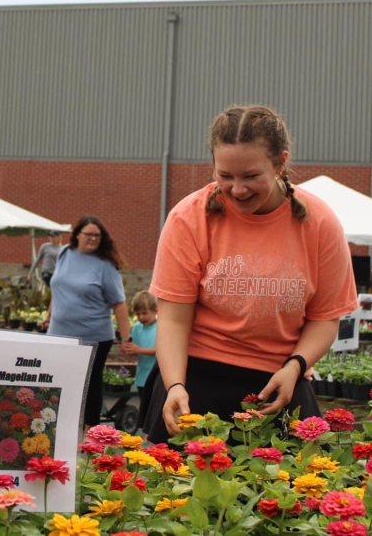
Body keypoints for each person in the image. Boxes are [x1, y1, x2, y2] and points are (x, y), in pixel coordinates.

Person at [147, 105, 358, 442]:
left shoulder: (319, 222)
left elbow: (324, 318)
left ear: (280, 163)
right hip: (195, 377)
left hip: (280, 382)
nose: (238, 189)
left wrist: (295, 367)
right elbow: (173, 319)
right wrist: (174, 384)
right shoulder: (188, 218)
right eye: (225, 176)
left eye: (250, 176)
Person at [43, 215, 131, 430]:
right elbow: (58, 287)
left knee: (89, 384)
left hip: (94, 336)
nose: (93, 239)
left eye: (97, 236)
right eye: (89, 234)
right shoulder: (65, 253)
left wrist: (127, 338)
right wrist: (48, 315)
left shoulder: (105, 265)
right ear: (77, 235)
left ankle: (90, 431)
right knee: (57, 379)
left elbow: (119, 304)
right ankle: (59, 425)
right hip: (59, 333)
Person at [121, 290, 157, 404]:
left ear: (155, 311)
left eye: (144, 313)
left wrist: (139, 350)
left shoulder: (161, 327)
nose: (141, 317)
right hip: (142, 378)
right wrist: (127, 351)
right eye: (137, 314)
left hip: (157, 377)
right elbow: (134, 354)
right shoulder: (137, 328)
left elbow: (162, 351)